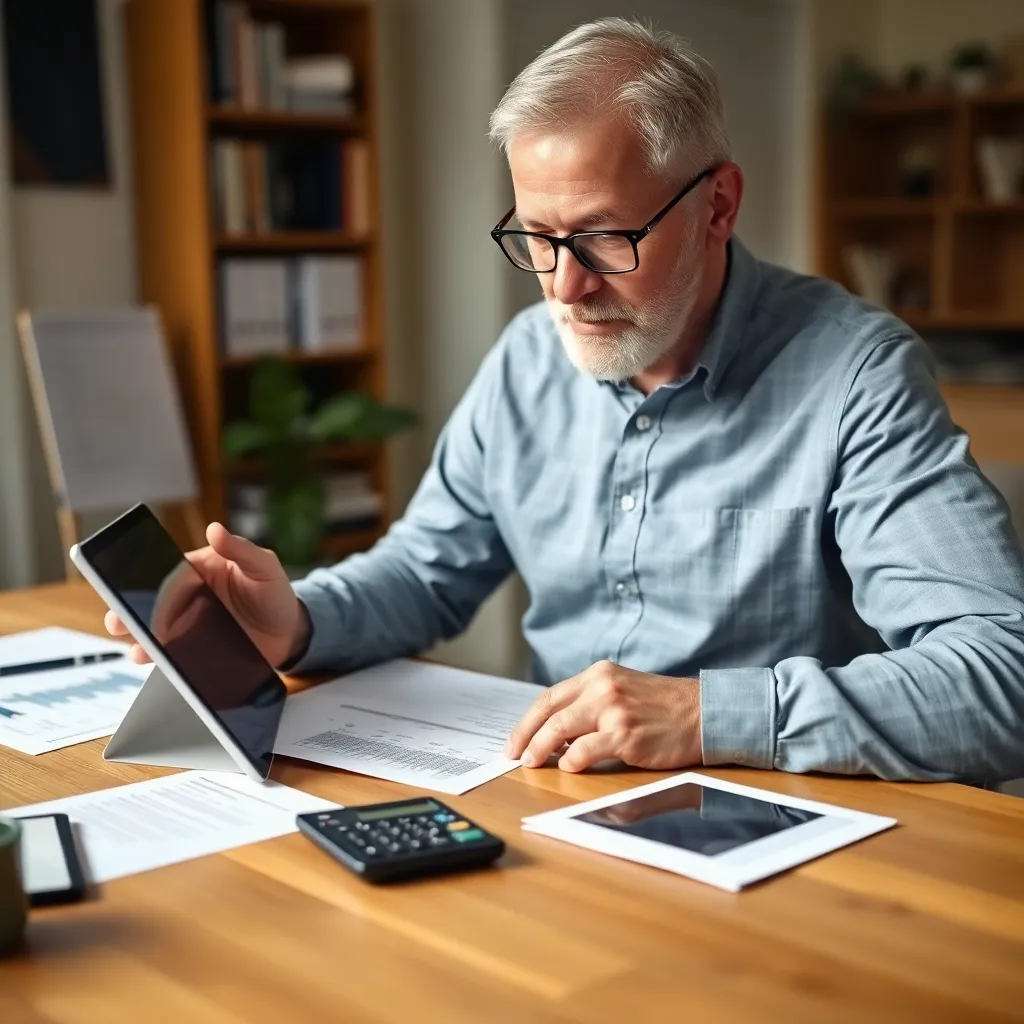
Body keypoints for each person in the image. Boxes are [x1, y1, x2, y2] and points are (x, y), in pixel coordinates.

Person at [106, 18, 1024, 784]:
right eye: (535, 237)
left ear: (718, 207)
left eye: (602, 238)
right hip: (559, 809)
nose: (563, 288)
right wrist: (295, 621)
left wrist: (707, 714)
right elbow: (426, 571)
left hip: (775, 836)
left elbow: (1002, 677)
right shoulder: (527, 361)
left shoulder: (854, 376)